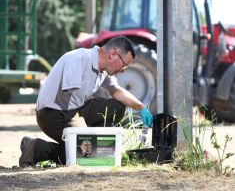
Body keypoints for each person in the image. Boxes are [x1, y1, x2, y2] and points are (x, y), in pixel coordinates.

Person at [19, 36, 153, 167]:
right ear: (113, 54)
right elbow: (68, 95)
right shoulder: (79, 59)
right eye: (123, 65)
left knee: (117, 107)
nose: (122, 71)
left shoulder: (103, 71)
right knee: (87, 153)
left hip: (74, 109)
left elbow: (117, 91)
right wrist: (85, 135)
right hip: (53, 113)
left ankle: (91, 146)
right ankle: (35, 148)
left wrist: (140, 107)